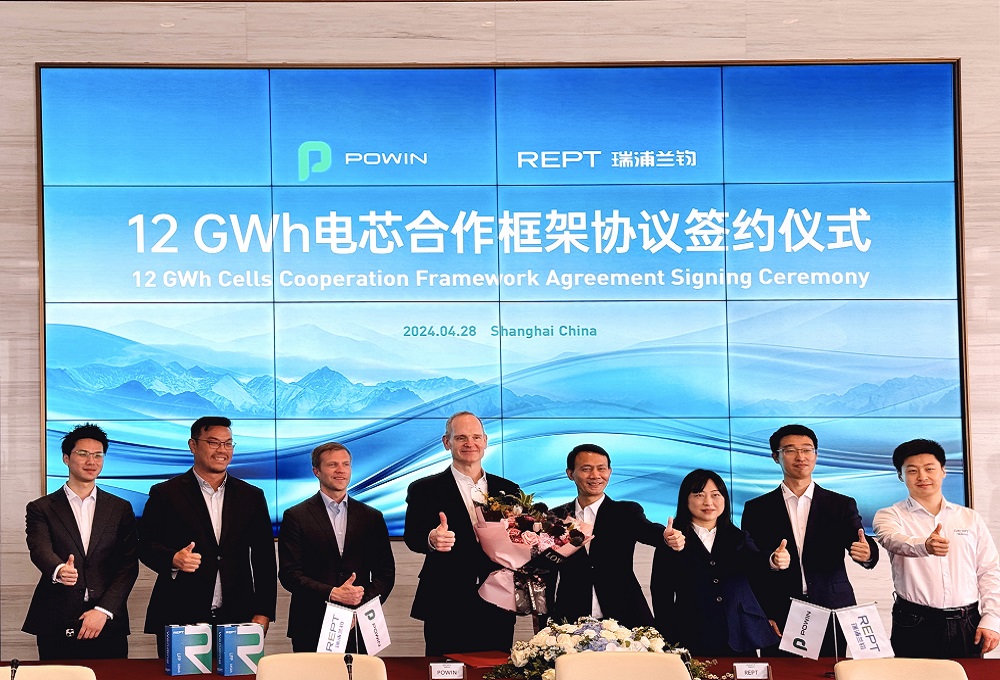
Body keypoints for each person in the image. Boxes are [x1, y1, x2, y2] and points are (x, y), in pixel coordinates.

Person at [139, 416, 277, 657]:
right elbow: (144, 545)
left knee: (239, 676)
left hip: (239, 618)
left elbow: (264, 559)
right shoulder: (166, 493)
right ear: (193, 445)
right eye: (213, 443)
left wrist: (263, 612)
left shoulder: (251, 496)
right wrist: (173, 559)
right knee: (184, 676)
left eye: (228, 443)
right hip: (181, 615)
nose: (222, 450)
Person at [741, 424, 879, 657]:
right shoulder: (757, 509)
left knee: (830, 671)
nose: (801, 456)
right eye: (790, 450)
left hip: (832, 607)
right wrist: (764, 612)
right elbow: (751, 563)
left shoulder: (840, 504)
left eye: (807, 449)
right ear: (776, 457)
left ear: (816, 454)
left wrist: (868, 553)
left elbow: (859, 540)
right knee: (784, 672)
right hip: (781, 610)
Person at [403, 411, 521, 656]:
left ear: (485, 441)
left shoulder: (509, 489)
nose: (470, 443)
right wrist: (431, 539)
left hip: (498, 600)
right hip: (445, 599)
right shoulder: (424, 489)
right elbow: (412, 536)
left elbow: (520, 539)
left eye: (476, 437)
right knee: (445, 669)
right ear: (447, 442)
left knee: (496, 669)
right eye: (461, 438)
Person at [873, 438, 1000, 658]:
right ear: (900, 476)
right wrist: (925, 546)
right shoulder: (889, 515)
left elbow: (989, 570)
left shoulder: (969, 518)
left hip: (967, 622)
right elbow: (892, 539)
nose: (922, 477)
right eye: (912, 471)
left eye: (929, 468)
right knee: (911, 675)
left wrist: (992, 618)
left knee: (967, 674)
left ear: (943, 471)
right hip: (914, 622)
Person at [23, 423, 139, 660]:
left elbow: (128, 565)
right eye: (83, 454)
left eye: (98, 455)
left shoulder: (120, 508)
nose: (91, 461)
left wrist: (103, 611)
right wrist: (58, 569)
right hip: (57, 617)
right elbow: (39, 548)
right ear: (66, 458)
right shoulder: (41, 508)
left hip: (107, 620)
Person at [546, 443, 686, 629]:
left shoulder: (626, 511)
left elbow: (648, 531)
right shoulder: (556, 517)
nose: (595, 475)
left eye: (601, 469)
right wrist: (545, 618)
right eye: (586, 469)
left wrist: (667, 537)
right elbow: (547, 572)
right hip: (570, 618)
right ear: (570, 473)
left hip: (625, 617)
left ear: (609, 472)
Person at [278, 441, 395, 652]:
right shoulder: (296, 516)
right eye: (332, 465)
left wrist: (360, 607)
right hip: (311, 624)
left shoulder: (372, 517)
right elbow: (290, 575)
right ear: (316, 471)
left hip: (360, 626)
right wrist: (332, 593)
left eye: (346, 464)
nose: (341, 470)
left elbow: (385, 574)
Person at [651, 469, 781, 656]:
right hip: (690, 636)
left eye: (715, 495)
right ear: (685, 499)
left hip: (737, 637)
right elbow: (661, 594)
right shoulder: (672, 539)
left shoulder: (739, 537)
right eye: (699, 495)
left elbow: (756, 561)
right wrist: (669, 640)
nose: (708, 502)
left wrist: (773, 559)